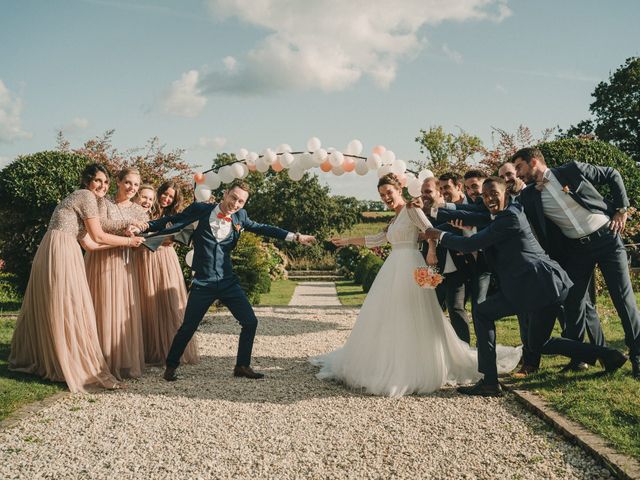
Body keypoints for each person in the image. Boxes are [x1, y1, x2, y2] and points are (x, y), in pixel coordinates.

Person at [310, 174, 521, 397]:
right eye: (382, 195)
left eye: (389, 193)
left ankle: (413, 367)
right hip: (393, 268)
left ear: (399, 189)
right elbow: (377, 240)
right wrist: (347, 241)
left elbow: (429, 229)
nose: (386, 198)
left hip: (411, 265)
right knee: (390, 316)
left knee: (412, 315)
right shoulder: (394, 217)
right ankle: (388, 360)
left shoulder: (411, 208)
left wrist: (431, 252)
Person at [424, 177, 628, 396]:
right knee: (540, 342)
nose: (489, 198)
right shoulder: (498, 214)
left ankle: (490, 382)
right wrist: (434, 210)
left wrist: (441, 236)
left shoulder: (510, 216)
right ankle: (607, 355)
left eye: (494, 193)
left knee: (483, 314)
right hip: (539, 285)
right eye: (485, 196)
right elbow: (471, 215)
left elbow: (472, 243)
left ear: (505, 194)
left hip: (538, 284)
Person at [140, 180, 316, 381]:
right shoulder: (200, 209)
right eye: (234, 198)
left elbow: (263, 228)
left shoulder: (240, 216)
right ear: (225, 194)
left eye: (241, 201)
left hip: (227, 282)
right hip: (203, 282)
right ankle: (171, 367)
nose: (236, 204)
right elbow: (173, 219)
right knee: (188, 326)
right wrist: (146, 225)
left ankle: (242, 365)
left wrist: (296, 237)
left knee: (250, 322)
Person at [9, 163, 144, 392]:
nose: (102, 185)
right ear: (87, 181)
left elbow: (93, 243)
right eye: (98, 180)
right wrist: (130, 241)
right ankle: (73, 363)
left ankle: (55, 357)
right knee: (70, 305)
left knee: (58, 305)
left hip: (60, 247)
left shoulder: (89, 200)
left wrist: (128, 226)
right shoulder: (84, 195)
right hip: (62, 248)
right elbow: (98, 234)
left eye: (106, 182)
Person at [513, 147, 640, 379]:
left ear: (533, 162)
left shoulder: (571, 170)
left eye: (519, 168)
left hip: (607, 238)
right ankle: (579, 359)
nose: (517, 174)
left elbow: (612, 174)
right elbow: (509, 213)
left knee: (623, 300)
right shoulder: (529, 195)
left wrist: (621, 210)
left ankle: (638, 358)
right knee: (573, 302)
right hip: (576, 251)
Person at [83, 167, 148, 380]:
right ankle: (95, 358)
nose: (132, 188)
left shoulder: (139, 210)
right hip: (101, 258)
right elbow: (100, 226)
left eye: (136, 185)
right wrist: (126, 227)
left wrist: (138, 232)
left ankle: (120, 359)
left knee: (121, 309)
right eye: (128, 182)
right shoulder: (103, 202)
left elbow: (146, 231)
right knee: (101, 305)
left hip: (125, 263)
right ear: (118, 181)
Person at [133, 181, 199, 366]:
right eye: (165, 194)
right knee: (147, 303)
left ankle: (171, 350)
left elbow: (178, 239)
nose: (166, 198)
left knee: (167, 303)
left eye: (171, 197)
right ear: (159, 192)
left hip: (165, 259)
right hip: (144, 259)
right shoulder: (145, 211)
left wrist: (158, 238)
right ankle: (148, 350)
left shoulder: (176, 216)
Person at [420, 176, 474, 343]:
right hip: (431, 270)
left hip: (457, 270)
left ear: (439, 192)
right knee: (428, 311)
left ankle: (464, 349)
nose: (424, 195)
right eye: (422, 192)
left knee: (456, 308)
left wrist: (430, 236)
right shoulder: (420, 213)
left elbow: (454, 228)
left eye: (428, 191)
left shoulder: (450, 211)